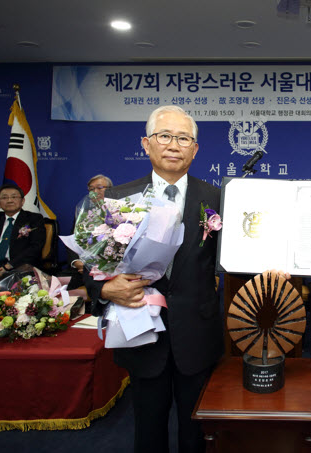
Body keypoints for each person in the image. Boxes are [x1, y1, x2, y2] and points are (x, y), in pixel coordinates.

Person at [83, 105, 223, 453]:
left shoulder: (219, 198)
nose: (174, 145)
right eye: (164, 136)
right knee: (148, 428)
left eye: (183, 138)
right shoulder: (116, 199)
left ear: (195, 149)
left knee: (198, 431)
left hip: (197, 331)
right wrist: (103, 288)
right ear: (146, 144)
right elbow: (90, 265)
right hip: (141, 331)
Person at [67, 174, 113, 280]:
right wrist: (76, 262)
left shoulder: (120, 212)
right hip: (83, 267)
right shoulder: (84, 214)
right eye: (91, 189)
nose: (95, 192)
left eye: (100, 187)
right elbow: (71, 240)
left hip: (110, 268)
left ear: (111, 190)